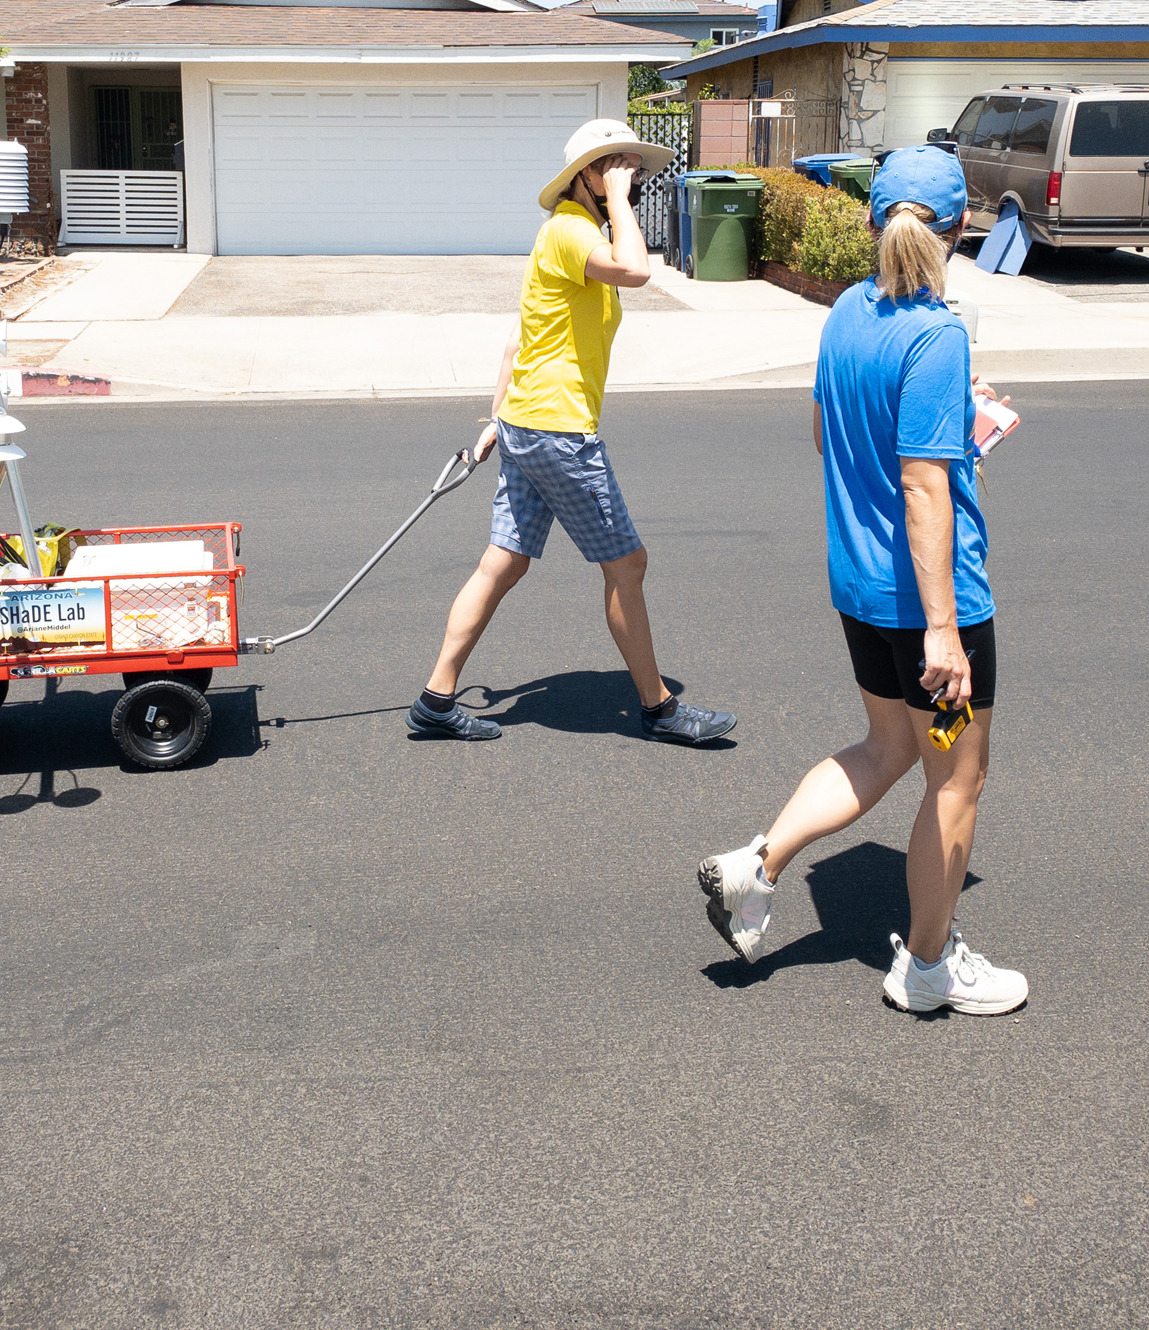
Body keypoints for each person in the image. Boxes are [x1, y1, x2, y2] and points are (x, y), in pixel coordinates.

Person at [694, 146, 1028, 1016]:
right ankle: (926, 969)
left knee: (886, 747)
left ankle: (757, 867)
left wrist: (953, 414)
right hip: (926, 606)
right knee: (955, 779)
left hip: (859, 589)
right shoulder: (937, 331)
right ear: (958, 228)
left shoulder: (845, 310)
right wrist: (945, 631)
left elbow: (827, 434)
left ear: (875, 220)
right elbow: (923, 486)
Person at [406, 118, 737, 747]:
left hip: (529, 424)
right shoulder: (570, 230)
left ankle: (435, 700)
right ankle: (660, 710)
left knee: (502, 564)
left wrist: (493, 420)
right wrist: (614, 198)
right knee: (627, 564)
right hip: (557, 431)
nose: (630, 176)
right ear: (584, 176)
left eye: (632, 167)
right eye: (614, 165)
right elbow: (638, 272)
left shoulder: (571, 233)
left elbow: (521, 334)